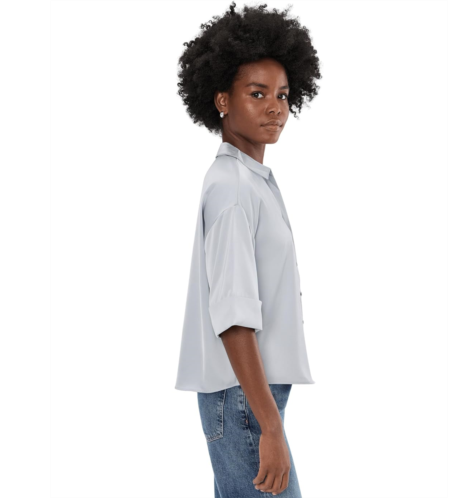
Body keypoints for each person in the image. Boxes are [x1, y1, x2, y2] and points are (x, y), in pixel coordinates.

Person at [175, 2, 321, 496]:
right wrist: (270, 428)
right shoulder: (234, 189)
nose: (275, 107)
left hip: (247, 396)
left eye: (282, 95)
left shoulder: (248, 180)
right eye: (257, 94)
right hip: (243, 398)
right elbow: (233, 316)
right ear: (222, 99)